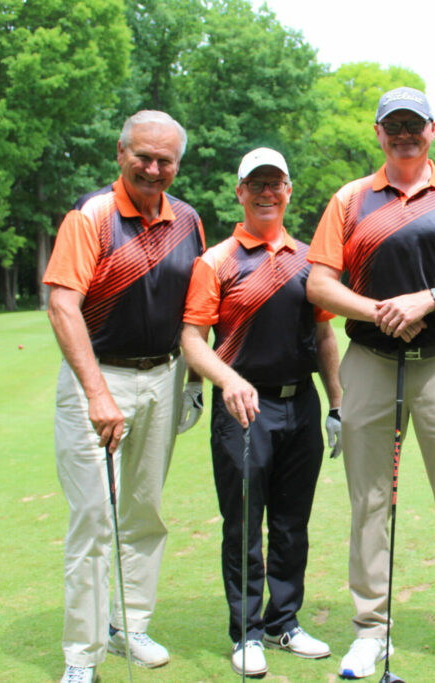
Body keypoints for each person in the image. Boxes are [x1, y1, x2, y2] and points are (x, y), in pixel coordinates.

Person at [305, 86, 435, 678]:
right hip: (369, 359)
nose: (404, 134)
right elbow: (319, 283)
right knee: (368, 499)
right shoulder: (349, 200)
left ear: (433, 130)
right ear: (379, 133)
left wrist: (430, 299)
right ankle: (371, 629)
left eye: (413, 124)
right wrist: (378, 310)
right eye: (393, 125)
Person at [44, 110, 206, 683]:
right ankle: (81, 656)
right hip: (101, 379)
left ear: (177, 165)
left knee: (144, 511)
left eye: (165, 160)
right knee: (93, 517)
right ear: (120, 153)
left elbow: (195, 310)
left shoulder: (188, 220)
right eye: (143, 156)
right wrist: (95, 392)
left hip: (163, 376)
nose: (153, 168)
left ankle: (128, 624)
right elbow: (63, 304)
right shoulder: (91, 216)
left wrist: (192, 381)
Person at [180, 148, 342, 677]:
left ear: (288, 191)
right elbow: (192, 340)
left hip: (301, 406)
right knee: (245, 525)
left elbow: (323, 334)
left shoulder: (308, 260)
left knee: (293, 525)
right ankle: (246, 631)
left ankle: (283, 622)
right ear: (240, 192)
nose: (267, 193)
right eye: (257, 185)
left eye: (276, 184)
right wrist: (226, 380)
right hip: (244, 409)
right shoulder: (218, 260)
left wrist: (337, 403)